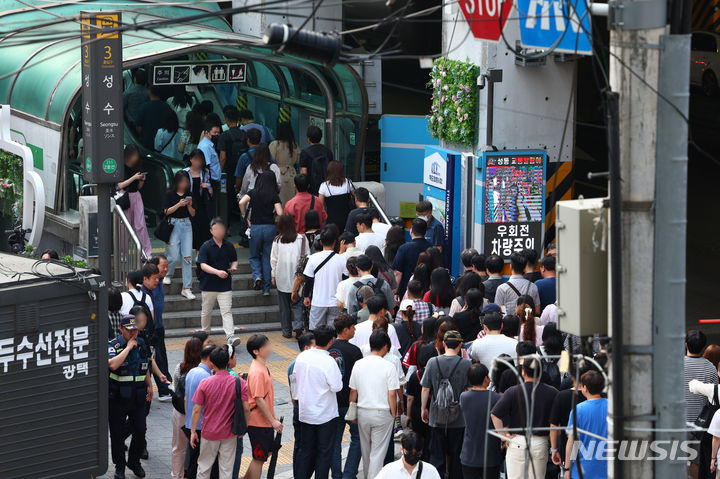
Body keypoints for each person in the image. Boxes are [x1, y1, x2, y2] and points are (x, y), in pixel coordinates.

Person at [491, 357, 558, 479]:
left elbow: (495, 415)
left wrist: (503, 435)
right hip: (540, 442)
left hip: (517, 441)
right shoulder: (552, 392)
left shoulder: (512, 391)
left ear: (523, 372)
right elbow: (555, 423)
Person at [189, 347, 249, 479]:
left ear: (212, 363)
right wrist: (245, 426)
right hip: (229, 432)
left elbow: (196, 409)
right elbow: (246, 408)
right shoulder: (239, 382)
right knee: (226, 469)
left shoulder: (205, 383)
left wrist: (193, 431)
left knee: (204, 467)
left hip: (209, 432)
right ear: (228, 361)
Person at [348, 330, 400, 479]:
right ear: (385, 346)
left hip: (363, 412)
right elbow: (392, 394)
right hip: (382, 413)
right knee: (378, 453)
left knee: (366, 451)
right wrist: (392, 412)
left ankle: (367, 476)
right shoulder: (388, 366)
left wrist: (353, 411)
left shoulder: (358, 364)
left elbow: (353, 392)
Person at [293, 326, 343, 479]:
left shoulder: (302, 357)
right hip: (325, 415)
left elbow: (294, 380)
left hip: (305, 412)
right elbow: (337, 386)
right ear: (331, 341)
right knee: (324, 452)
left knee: (305, 450)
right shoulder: (329, 361)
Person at [420, 330, 471, 478]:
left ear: (443, 344)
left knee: (437, 455)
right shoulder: (466, 364)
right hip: (459, 417)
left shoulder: (432, 362)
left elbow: (425, 388)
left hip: (436, 416)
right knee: (457, 456)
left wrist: (424, 408)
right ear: (460, 345)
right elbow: (468, 390)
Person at [107, 315, 152, 479]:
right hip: (118, 398)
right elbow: (112, 364)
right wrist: (127, 348)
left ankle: (134, 462)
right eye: (129, 330)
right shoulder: (113, 345)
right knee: (117, 435)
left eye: (135, 330)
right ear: (121, 329)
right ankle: (120, 468)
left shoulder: (141, 344)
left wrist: (149, 385)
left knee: (140, 430)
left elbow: (145, 365)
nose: (133, 333)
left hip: (138, 396)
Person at [329, 314, 364, 479]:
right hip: (351, 403)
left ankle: (336, 475)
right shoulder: (355, 351)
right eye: (352, 327)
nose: (355, 330)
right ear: (345, 329)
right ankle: (349, 474)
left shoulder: (328, 349)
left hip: (332, 404)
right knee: (357, 438)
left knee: (334, 442)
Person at [245, 335, 283, 479]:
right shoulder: (257, 371)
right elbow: (259, 399)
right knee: (259, 458)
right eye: (265, 346)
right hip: (258, 422)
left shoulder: (261, 367)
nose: (269, 348)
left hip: (262, 421)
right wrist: (272, 421)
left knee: (260, 455)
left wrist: (273, 418)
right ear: (256, 351)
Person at [238, 171, 283, 295]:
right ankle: (266, 289)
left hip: (256, 227)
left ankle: (257, 276)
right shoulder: (274, 195)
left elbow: (241, 202)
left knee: (254, 255)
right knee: (267, 257)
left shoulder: (253, 192)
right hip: (270, 228)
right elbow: (280, 213)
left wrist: (244, 216)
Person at [549, 358, 593, 476]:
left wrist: (554, 449)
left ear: (571, 376)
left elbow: (553, 426)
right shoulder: (597, 397)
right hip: (595, 448)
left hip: (568, 450)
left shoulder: (561, 396)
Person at [460, 363, 503, 479]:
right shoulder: (496, 398)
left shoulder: (464, 397)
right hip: (491, 453)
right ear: (485, 379)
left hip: (469, 453)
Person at [198, 218, 238, 339]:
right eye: (217, 229)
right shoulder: (205, 246)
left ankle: (230, 336)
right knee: (206, 312)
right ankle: (205, 335)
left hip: (225, 285)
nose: (220, 231)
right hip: (208, 285)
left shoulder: (229, 245)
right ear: (211, 231)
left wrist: (233, 268)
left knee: (226, 311)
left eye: (222, 228)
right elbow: (202, 265)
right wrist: (217, 272)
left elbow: (234, 260)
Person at [685, 330, 718, 478]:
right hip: (700, 425)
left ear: (686, 345)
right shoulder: (710, 368)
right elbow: (714, 399)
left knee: (673, 458)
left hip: (677, 422)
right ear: (703, 348)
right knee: (696, 462)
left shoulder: (674, 366)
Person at [564, 371, 608, 479]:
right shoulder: (612, 406)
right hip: (608, 468)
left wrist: (567, 469)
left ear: (585, 388)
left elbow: (571, 441)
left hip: (583, 469)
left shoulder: (578, 410)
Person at [271, 214, 310, 337]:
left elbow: (274, 259)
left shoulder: (277, 240)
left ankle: (286, 331)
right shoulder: (302, 239)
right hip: (298, 277)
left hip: (281, 276)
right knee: (297, 303)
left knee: (284, 306)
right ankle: (298, 326)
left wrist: (273, 275)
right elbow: (307, 257)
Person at [302, 227, 348, 330]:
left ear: (321, 242)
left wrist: (306, 296)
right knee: (333, 332)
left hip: (318, 301)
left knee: (316, 332)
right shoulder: (342, 259)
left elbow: (308, 280)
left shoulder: (313, 258)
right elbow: (345, 279)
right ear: (335, 241)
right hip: (336, 302)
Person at [170, 337, 203, 479]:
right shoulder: (204, 371)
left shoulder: (180, 367)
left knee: (178, 447)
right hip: (198, 414)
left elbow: (176, 387)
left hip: (180, 413)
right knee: (197, 449)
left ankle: (176, 475)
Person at [184, 345, 217, 479]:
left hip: (191, 423)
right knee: (201, 463)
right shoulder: (206, 376)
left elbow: (187, 399)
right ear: (210, 358)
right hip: (201, 425)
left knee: (193, 461)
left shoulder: (192, 372)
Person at [164, 170, 196, 300]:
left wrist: (189, 206)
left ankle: (187, 288)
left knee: (187, 257)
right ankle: (168, 274)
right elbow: (166, 212)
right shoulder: (169, 194)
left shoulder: (190, 195)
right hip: (173, 225)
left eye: (186, 182)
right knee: (172, 256)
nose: (184, 184)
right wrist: (179, 204)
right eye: (182, 181)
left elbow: (193, 214)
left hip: (187, 225)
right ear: (176, 182)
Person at [117, 145, 152, 257]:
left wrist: (142, 180)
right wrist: (134, 178)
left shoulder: (138, 166)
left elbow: (138, 187)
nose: (135, 158)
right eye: (134, 155)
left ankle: (146, 253)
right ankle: (122, 254)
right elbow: (120, 185)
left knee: (140, 225)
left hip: (136, 196)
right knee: (124, 227)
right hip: (124, 197)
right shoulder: (120, 167)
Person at [289, 333, 316, 478]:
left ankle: (298, 474)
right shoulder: (300, 364)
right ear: (306, 347)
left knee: (299, 444)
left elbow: (292, 393)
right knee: (305, 446)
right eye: (314, 345)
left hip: (298, 406)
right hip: (304, 408)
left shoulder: (293, 364)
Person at [145, 256, 172, 401]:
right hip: (153, 329)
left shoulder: (159, 282)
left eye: (167, 266)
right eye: (163, 266)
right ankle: (163, 390)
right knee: (157, 359)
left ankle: (166, 386)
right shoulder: (150, 287)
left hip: (159, 327)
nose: (166, 269)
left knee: (163, 358)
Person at [217, 107, 247, 224]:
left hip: (229, 171)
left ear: (227, 119)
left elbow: (223, 157)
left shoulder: (224, 136)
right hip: (243, 170)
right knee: (243, 197)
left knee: (228, 198)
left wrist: (220, 172)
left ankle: (227, 225)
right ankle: (243, 223)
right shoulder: (244, 134)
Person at [181, 149, 212, 251]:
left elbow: (210, 187)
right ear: (191, 159)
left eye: (200, 160)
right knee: (190, 227)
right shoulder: (185, 172)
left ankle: (200, 253)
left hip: (201, 202)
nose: (198, 162)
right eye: (196, 159)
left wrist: (206, 186)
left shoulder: (205, 171)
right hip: (188, 202)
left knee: (202, 228)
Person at [375, 432, 441, 479]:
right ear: (402, 449)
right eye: (409, 452)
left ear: (422, 451)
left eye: (417, 453)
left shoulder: (431, 471)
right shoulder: (388, 470)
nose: (413, 456)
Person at [392, 219, 431, 299]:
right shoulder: (432, 248)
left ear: (411, 231)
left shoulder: (404, 248)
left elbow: (398, 273)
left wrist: (396, 290)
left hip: (408, 289)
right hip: (428, 290)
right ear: (425, 232)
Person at [318, 160, 354, 231]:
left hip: (331, 221)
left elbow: (320, 205)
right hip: (347, 220)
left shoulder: (324, 186)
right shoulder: (348, 182)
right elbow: (356, 197)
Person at [269, 121, 300, 204]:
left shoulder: (275, 144)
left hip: (278, 175)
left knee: (279, 202)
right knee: (291, 201)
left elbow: (271, 160)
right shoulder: (294, 145)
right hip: (292, 175)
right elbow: (298, 160)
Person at [198, 119, 223, 218]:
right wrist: (208, 185)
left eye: (218, 133)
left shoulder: (210, 145)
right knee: (210, 209)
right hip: (211, 181)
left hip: (214, 180)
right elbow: (206, 167)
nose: (217, 135)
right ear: (207, 132)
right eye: (215, 132)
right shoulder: (205, 146)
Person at [299, 125, 334, 195]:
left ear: (308, 139)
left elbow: (304, 172)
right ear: (320, 137)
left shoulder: (305, 152)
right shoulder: (328, 151)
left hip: (311, 188)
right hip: (327, 186)